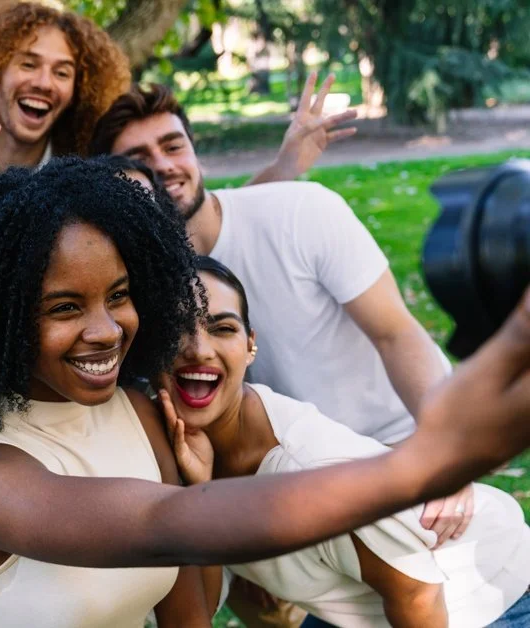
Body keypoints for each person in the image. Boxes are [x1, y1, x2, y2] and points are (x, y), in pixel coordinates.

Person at [0, 157, 530, 627]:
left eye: (120, 295)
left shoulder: (137, 409)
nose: (106, 331)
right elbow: (161, 526)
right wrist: (426, 463)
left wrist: (197, 483)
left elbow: (188, 608)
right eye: (64, 306)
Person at [88, 82, 470, 544]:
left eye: (173, 145)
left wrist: (445, 451)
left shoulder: (300, 212)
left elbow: (397, 333)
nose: (165, 165)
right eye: (142, 158)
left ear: (194, 150)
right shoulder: (136, 284)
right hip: (285, 481)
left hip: (396, 448)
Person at [159, 256, 530, 628]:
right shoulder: (183, 446)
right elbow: (197, 613)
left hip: (482, 594)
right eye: (176, 327)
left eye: (222, 328)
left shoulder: (301, 467)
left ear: (250, 344)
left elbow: (418, 597)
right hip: (364, 601)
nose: (198, 349)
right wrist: (197, 492)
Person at [0, 0, 129, 174]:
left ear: (76, 91)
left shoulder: (83, 186)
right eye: (28, 65)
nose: (44, 83)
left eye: (62, 73)